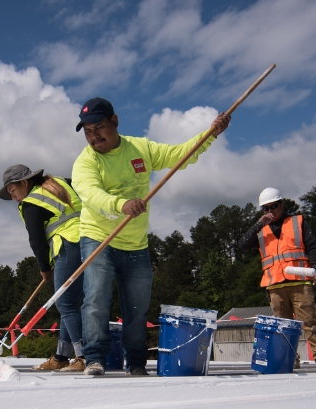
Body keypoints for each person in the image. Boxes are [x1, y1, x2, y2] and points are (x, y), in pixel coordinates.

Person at [72, 97, 230, 376]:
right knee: (96, 297)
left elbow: (180, 155)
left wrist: (210, 135)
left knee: (137, 306)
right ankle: (94, 357)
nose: (94, 136)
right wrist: (121, 205)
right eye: (87, 131)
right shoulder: (86, 161)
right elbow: (90, 194)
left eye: (99, 127)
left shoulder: (140, 148)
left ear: (115, 121)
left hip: (135, 244)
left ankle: (135, 362)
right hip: (98, 237)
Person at [0, 164, 85, 372]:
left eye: (13, 190)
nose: (13, 198)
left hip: (68, 244)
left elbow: (36, 240)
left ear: (24, 183)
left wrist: (44, 268)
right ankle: (61, 357)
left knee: (64, 303)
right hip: (90, 239)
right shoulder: (61, 182)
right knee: (70, 302)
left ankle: (84, 356)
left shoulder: (31, 203)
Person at [238, 187, 316, 372]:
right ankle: (291, 359)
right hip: (275, 284)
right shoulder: (261, 229)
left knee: (309, 323)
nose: (270, 211)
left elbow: (313, 247)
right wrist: (259, 223)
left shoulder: (298, 222)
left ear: (282, 204)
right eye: (265, 208)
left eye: (273, 206)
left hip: (300, 282)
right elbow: (242, 245)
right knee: (283, 328)